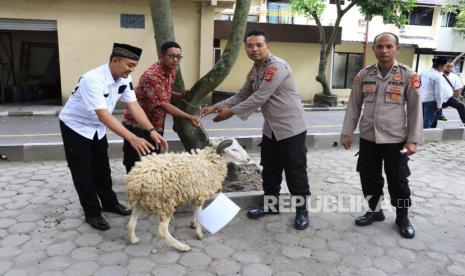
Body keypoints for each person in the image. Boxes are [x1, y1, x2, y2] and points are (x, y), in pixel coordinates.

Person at [200, 30, 310, 230]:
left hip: (291, 128)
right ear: (246, 49)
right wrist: (215, 107)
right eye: (250, 46)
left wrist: (230, 112)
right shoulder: (255, 71)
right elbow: (242, 94)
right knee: (270, 170)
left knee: (295, 171)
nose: (254, 49)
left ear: (268, 46)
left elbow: (260, 97)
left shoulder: (277, 67)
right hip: (271, 129)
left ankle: (302, 211)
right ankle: (271, 205)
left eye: (259, 45)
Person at [59, 43, 168, 231]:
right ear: (114, 60)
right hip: (75, 127)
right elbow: (104, 114)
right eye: (129, 65)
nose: (132, 69)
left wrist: (151, 130)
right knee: (83, 172)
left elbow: (133, 106)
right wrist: (132, 138)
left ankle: (110, 204)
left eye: (134, 65)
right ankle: (92, 213)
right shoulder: (92, 79)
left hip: (96, 128)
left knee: (102, 168)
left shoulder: (125, 78)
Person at [341, 32, 422, 239]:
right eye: (379, 46)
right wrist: (347, 132)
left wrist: (412, 140)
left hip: (395, 140)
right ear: (374, 48)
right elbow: (354, 106)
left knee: (399, 181)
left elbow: (414, 110)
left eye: (388, 46)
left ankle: (402, 217)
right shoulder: (364, 75)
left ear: (397, 48)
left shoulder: (408, 75)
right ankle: (375, 211)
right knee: (369, 178)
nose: (384, 51)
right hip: (368, 138)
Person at [122, 41, 201, 173]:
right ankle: (134, 188)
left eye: (178, 57)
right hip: (137, 123)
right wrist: (188, 116)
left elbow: (165, 94)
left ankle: (151, 187)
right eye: (171, 56)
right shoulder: (152, 75)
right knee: (135, 160)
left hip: (156, 123)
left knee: (153, 158)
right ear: (161, 56)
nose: (175, 60)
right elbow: (164, 104)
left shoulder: (172, 70)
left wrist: (180, 96)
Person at [419, 56, 448, 128]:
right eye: (444, 66)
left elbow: (418, 85)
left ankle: (418, 134)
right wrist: (439, 105)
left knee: (421, 119)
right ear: (440, 66)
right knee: (428, 120)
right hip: (431, 101)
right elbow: (439, 92)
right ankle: (425, 136)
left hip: (421, 99)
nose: (444, 68)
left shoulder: (423, 72)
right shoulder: (438, 76)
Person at [438, 60, 465, 127]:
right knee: (435, 109)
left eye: (451, 67)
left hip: (449, 98)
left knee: (460, 105)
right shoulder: (438, 75)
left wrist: (457, 97)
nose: (450, 68)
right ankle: (437, 118)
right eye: (448, 66)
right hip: (437, 98)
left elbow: (458, 88)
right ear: (443, 66)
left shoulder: (455, 76)